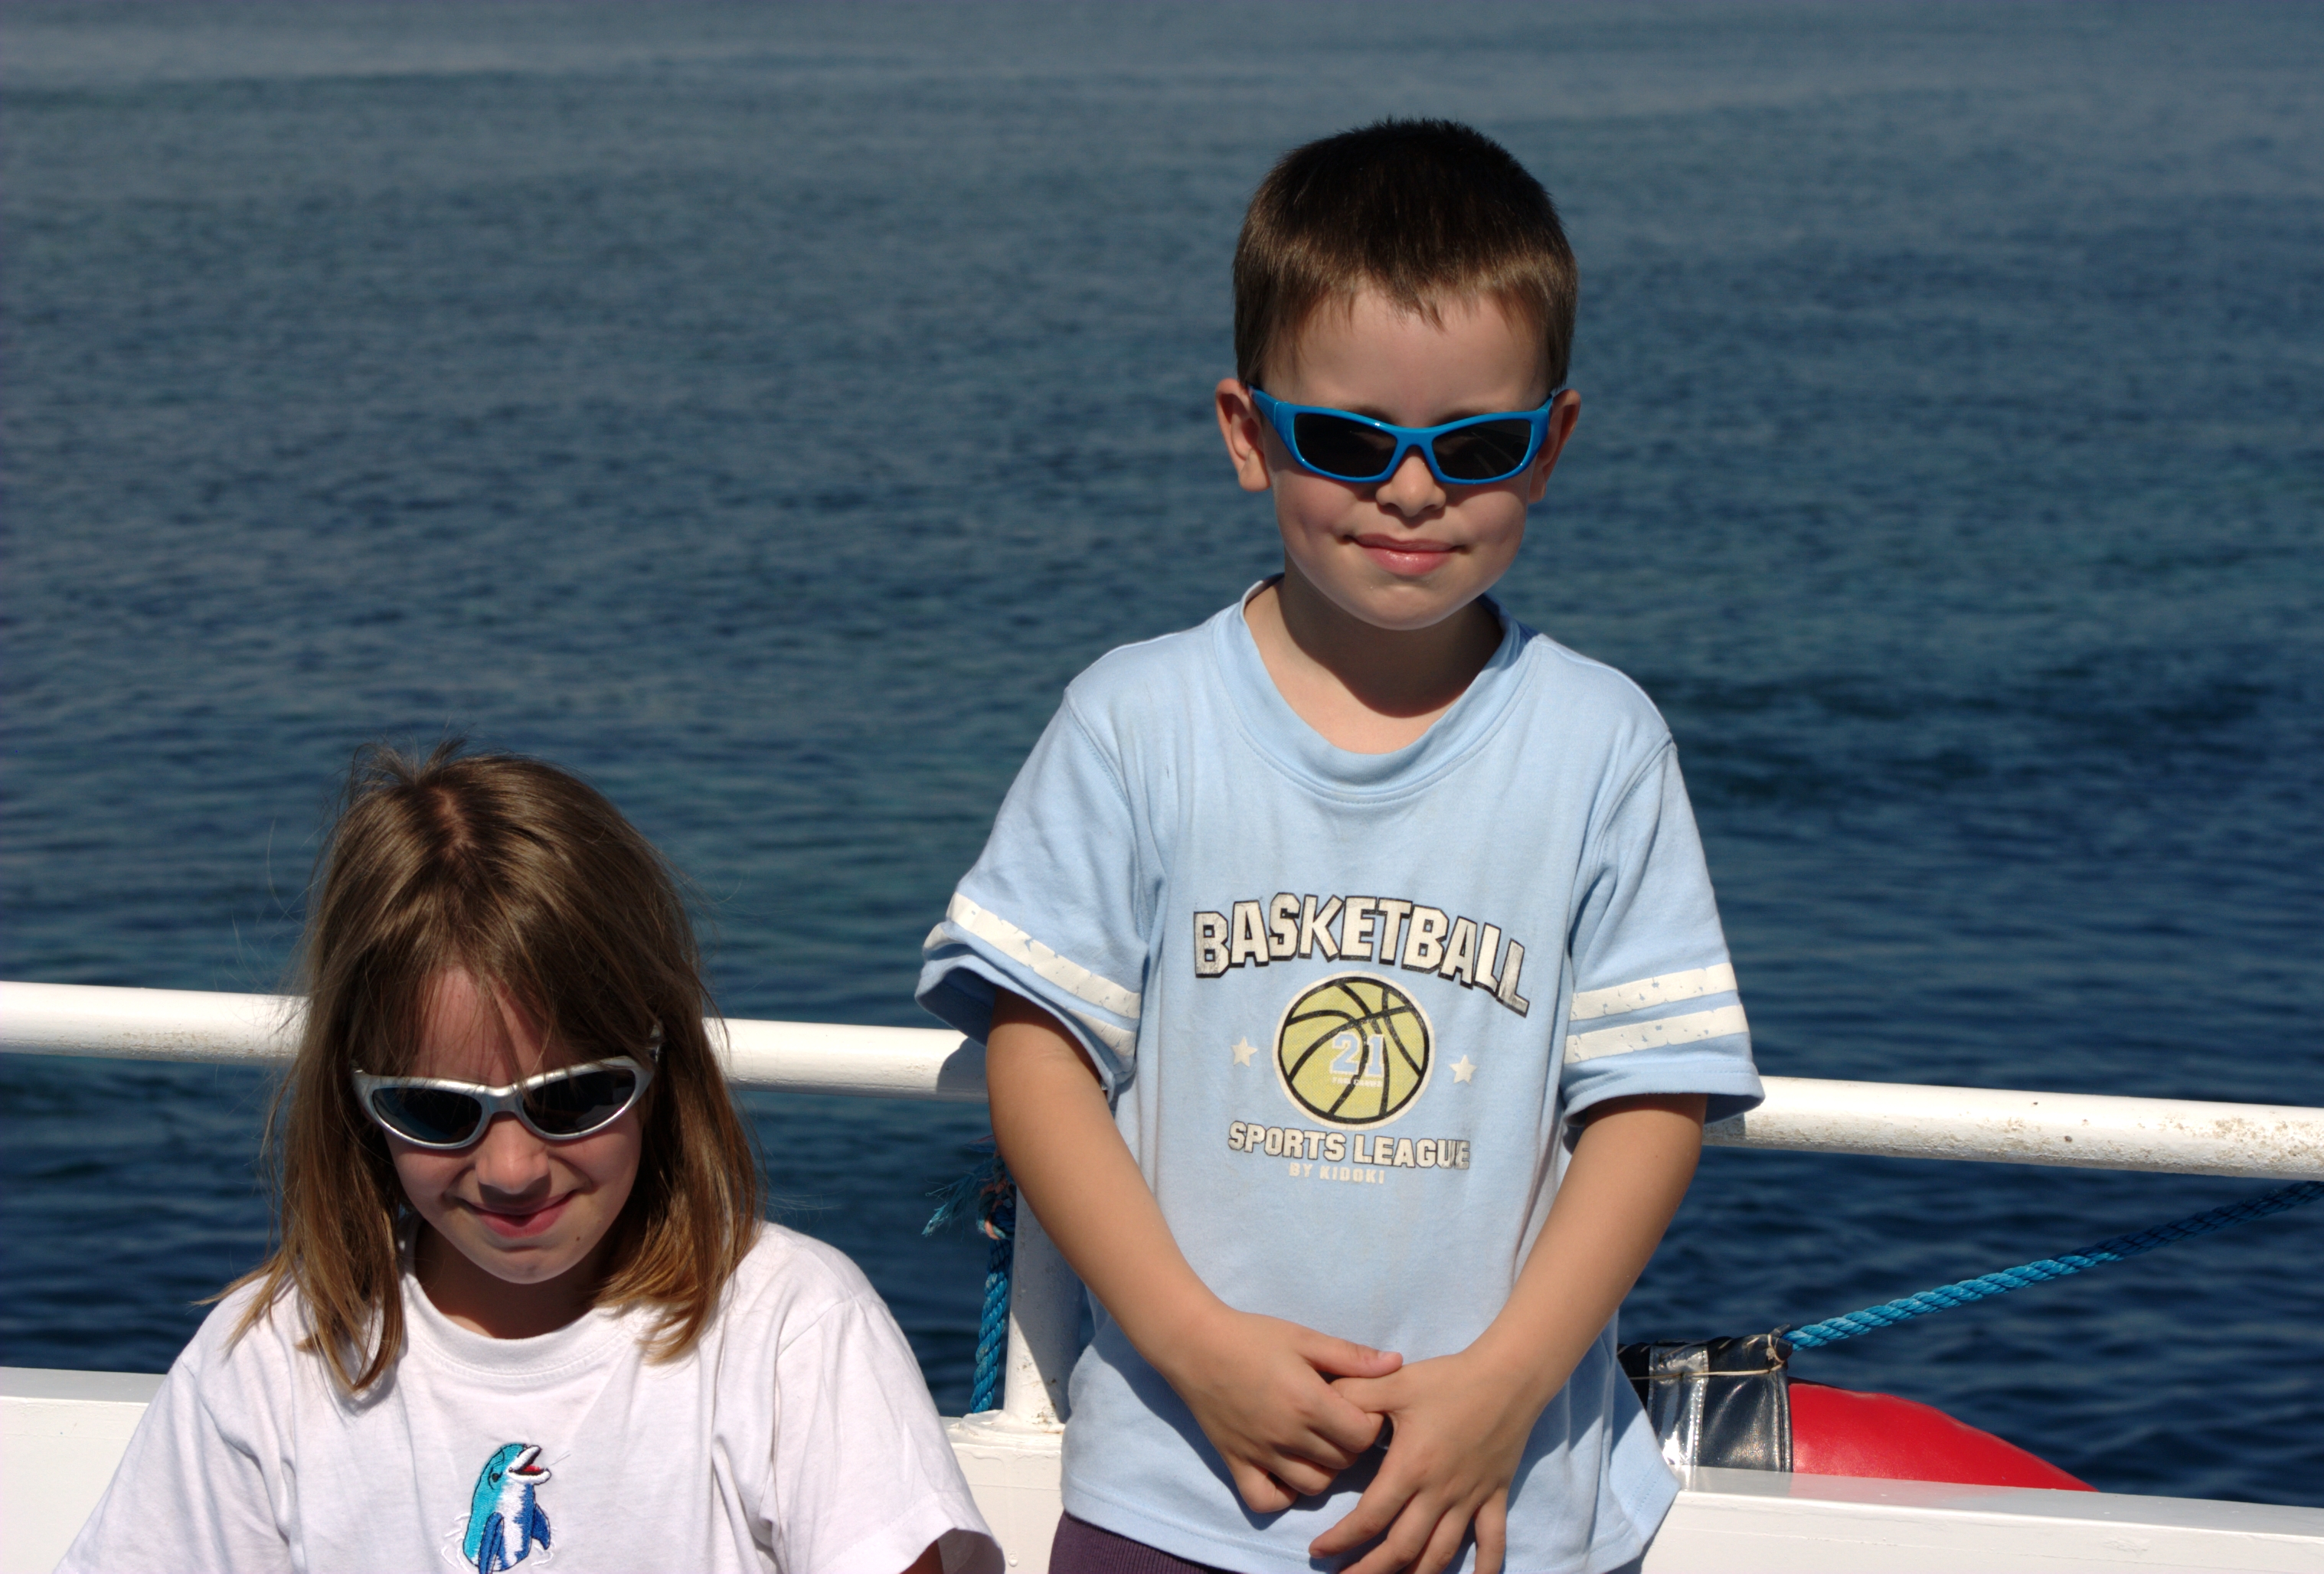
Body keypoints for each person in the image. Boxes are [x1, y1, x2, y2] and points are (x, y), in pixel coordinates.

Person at [917, 120, 1763, 1574]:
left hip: (1499, 1502)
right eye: (1351, 441)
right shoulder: (1135, 722)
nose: (1413, 489)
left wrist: (1506, 1387)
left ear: (1551, 445)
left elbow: (1649, 1100)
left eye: (1476, 446)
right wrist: (1192, 1343)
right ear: (1249, 435)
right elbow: (1037, 1052)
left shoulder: (1600, 745)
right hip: (1178, 1488)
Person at [63, 745, 999, 1574]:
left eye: (573, 1097)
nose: (511, 1168)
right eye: (436, 1110)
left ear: (660, 1062)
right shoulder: (272, 1359)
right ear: (357, 1100)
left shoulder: (791, 1329)